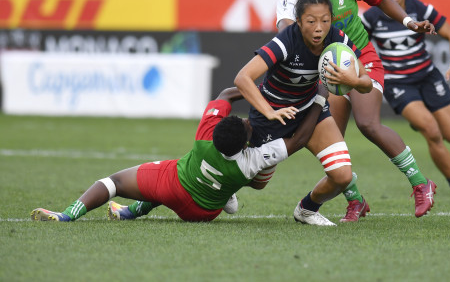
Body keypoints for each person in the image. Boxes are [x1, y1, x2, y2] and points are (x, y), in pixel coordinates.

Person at [272, 0, 437, 221]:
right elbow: (284, 31)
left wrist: (409, 22)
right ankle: (356, 200)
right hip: (327, 72)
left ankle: (420, 183)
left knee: (368, 124)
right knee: (329, 140)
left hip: (363, 61)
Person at [30, 84, 330, 222]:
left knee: (116, 182)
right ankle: (129, 212)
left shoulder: (205, 135)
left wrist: (255, 89)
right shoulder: (251, 161)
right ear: (243, 146)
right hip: (204, 213)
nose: (245, 121)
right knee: (258, 172)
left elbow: (225, 94)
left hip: (177, 186)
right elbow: (300, 139)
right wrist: (319, 96)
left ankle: (67, 216)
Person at [235, 0, 376, 226]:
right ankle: (227, 184)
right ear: (298, 22)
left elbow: (367, 84)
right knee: (257, 183)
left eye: (325, 20)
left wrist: (353, 80)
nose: (319, 28)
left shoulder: (338, 39)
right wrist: (269, 111)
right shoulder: (286, 41)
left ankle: (307, 209)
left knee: (342, 176)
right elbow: (242, 78)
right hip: (273, 115)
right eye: (311, 22)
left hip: (311, 111)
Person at [362, 0, 450, 197]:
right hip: (397, 83)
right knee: (431, 130)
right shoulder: (371, 17)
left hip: (428, 76)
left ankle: (418, 119)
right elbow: (357, 47)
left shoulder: (420, 9)